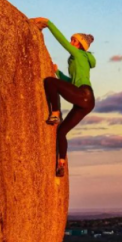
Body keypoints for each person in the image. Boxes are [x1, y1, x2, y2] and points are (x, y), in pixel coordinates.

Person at [31, 17, 96, 177]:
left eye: (74, 40)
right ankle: (61, 164)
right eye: (71, 39)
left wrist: (48, 24)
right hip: (86, 101)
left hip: (83, 94)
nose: (71, 41)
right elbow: (70, 82)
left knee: (50, 82)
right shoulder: (80, 61)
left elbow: (62, 42)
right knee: (61, 132)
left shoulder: (79, 54)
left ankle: (55, 113)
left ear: (80, 44)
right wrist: (58, 72)